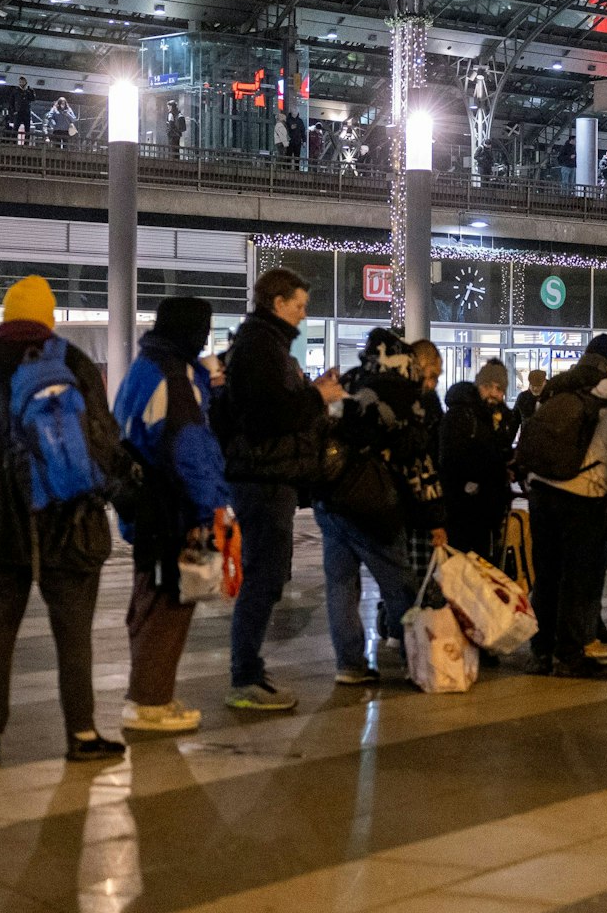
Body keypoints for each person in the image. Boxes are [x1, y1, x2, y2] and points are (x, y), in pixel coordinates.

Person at [0, 276, 124, 763]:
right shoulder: (72, 363)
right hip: (69, 523)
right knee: (74, 636)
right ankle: (82, 735)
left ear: (5, 317)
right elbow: (103, 443)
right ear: (49, 317)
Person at [216, 267, 346, 711]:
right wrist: (317, 398)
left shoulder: (264, 345)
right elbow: (267, 416)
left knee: (268, 577)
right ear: (278, 303)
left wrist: (313, 393)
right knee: (264, 577)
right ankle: (244, 677)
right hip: (262, 478)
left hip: (268, 476)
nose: (303, 314)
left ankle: (249, 668)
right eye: (299, 306)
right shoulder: (259, 347)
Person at [112, 296, 229, 733]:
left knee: (150, 599)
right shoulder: (172, 376)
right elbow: (190, 452)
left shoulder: (146, 367)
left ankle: (150, 694)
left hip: (144, 504)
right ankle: (149, 702)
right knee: (168, 604)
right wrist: (212, 508)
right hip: (171, 508)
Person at [320, 329, 446, 685]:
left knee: (341, 584)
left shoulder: (350, 379)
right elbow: (417, 460)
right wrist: (435, 515)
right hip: (374, 504)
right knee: (400, 585)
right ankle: (415, 660)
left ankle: (349, 664)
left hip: (330, 498)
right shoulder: (403, 393)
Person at [525, 336, 607, 679]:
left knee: (546, 576)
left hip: (542, 493)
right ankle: (570, 655)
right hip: (585, 500)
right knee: (580, 578)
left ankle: (541, 651)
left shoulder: (558, 393)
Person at [440, 359, 516, 558]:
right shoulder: (461, 415)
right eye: (487, 386)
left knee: (484, 562)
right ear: (478, 386)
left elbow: (501, 452)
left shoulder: (503, 419)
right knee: (462, 562)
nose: (493, 393)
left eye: (498, 388)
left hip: (490, 506)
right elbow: (452, 459)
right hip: (463, 506)